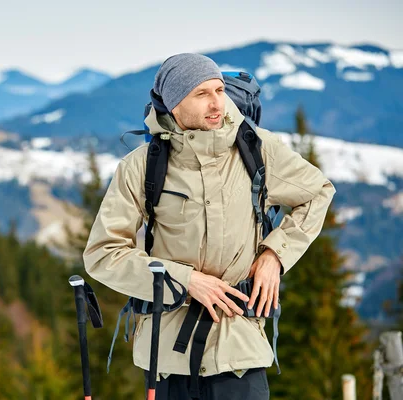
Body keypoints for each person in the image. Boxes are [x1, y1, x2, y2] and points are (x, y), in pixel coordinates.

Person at [83, 53, 335, 400]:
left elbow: (318, 193)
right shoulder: (141, 167)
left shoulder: (257, 150)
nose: (217, 102)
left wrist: (275, 255)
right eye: (202, 94)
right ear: (174, 103)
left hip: (239, 352)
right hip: (167, 358)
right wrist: (186, 281)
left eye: (219, 90)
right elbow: (102, 254)